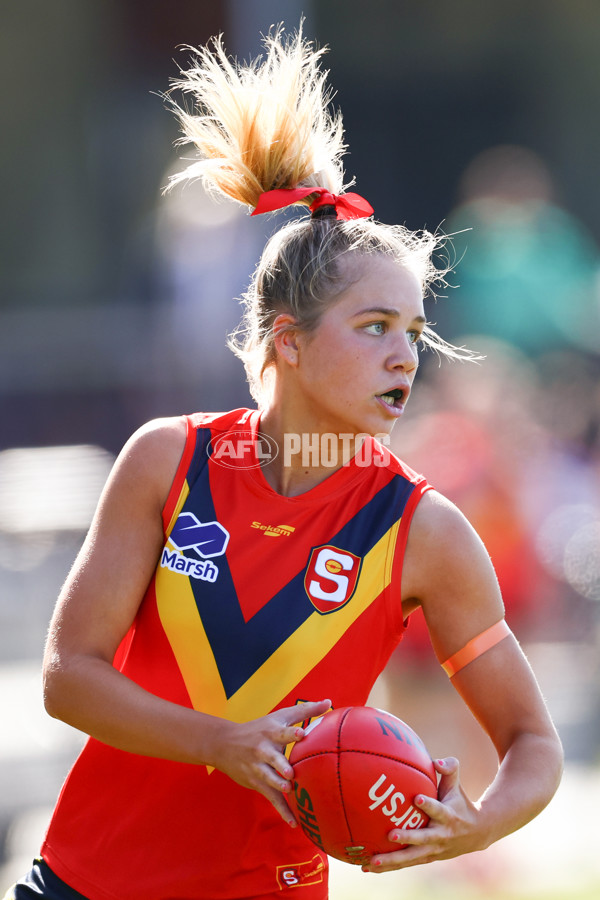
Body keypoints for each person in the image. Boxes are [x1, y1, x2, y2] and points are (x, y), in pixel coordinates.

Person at [5, 25, 563, 900]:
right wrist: (218, 743)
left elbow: (533, 742)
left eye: (414, 335)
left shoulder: (424, 531)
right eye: (375, 328)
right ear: (288, 343)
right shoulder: (170, 460)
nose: (405, 359)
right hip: (84, 883)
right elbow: (67, 675)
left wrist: (478, 824)